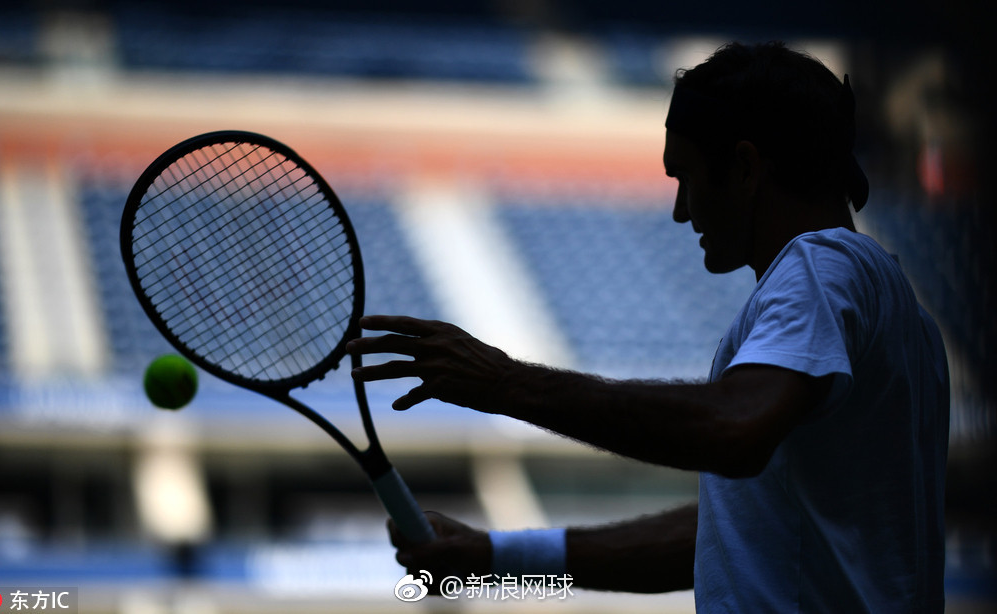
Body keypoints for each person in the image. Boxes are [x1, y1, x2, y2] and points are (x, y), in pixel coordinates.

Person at [347, 41, 950, 612]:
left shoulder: (820, 265)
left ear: (744, 167)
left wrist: (503, 384)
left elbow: (731, 429)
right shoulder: (904, 318)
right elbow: (718, 535)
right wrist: (493, 558)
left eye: (684, 176)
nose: (680, 210)